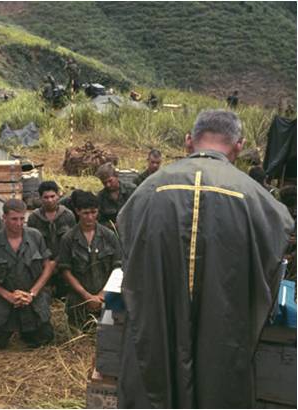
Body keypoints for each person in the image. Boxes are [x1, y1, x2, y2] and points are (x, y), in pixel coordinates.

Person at [117, 109, 294, 408]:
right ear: (239, 145)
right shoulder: (255, 196)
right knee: (219, 377)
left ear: (189, 140)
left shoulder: (150, 188)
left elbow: (129, 249)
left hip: (161, 318)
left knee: (156, 372)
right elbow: (274, 250)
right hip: (224, 320)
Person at [0, 199, 56, 350]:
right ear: (4, 218)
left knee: (44, 339)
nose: (19, 223)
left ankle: (27, 330)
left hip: (31, 299)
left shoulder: (35, 236)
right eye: (14, 219)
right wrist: (7, 295)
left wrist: (32, 293)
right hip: (6, 300)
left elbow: (47, 267)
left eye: (22, 219)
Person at [56, 191, 121, 330]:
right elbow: (66, 271)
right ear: (77, 211)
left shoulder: (109, 236)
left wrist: (102, 295)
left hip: (107, 297)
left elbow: (118, 268)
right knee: (80, 332)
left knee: (109, 332)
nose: (90, 217)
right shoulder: (68, 239)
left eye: (93, 212)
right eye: (85, 213)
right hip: (79, 299)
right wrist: (87, 296)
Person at [27, 181, 76, 297]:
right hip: (42, 262)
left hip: (64, 261)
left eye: (52, 196)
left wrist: (56, 262)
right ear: (40, 198)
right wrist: (47, 262)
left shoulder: (68, 215)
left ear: (58, 195)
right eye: (46, 197)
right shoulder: (34, 218)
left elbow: (72, 242)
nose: (50, 200)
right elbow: (32, 244)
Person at [95, 162, 136, 229]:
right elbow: (98, 221)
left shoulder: (132, 190)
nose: (108, 185)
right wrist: (111, 226)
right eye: (104, 183)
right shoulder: (100, 197)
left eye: (110, 181)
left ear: (116, 176)